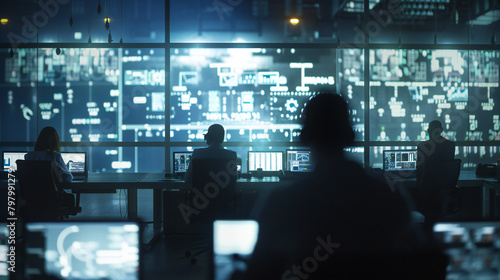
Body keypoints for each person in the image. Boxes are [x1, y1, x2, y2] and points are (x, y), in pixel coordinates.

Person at [232, 92, 446, 280]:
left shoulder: (281, 202)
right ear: (351, 135)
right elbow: (417, 264)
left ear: (303, 137)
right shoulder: (387, 197)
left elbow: (261, 272)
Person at [25, 126, 75, 207]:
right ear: (55, 142)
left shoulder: (28, 156)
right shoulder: (55, 156)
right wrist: (62, 170)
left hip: (32, 198)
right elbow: (68, 178)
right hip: (52, 198)